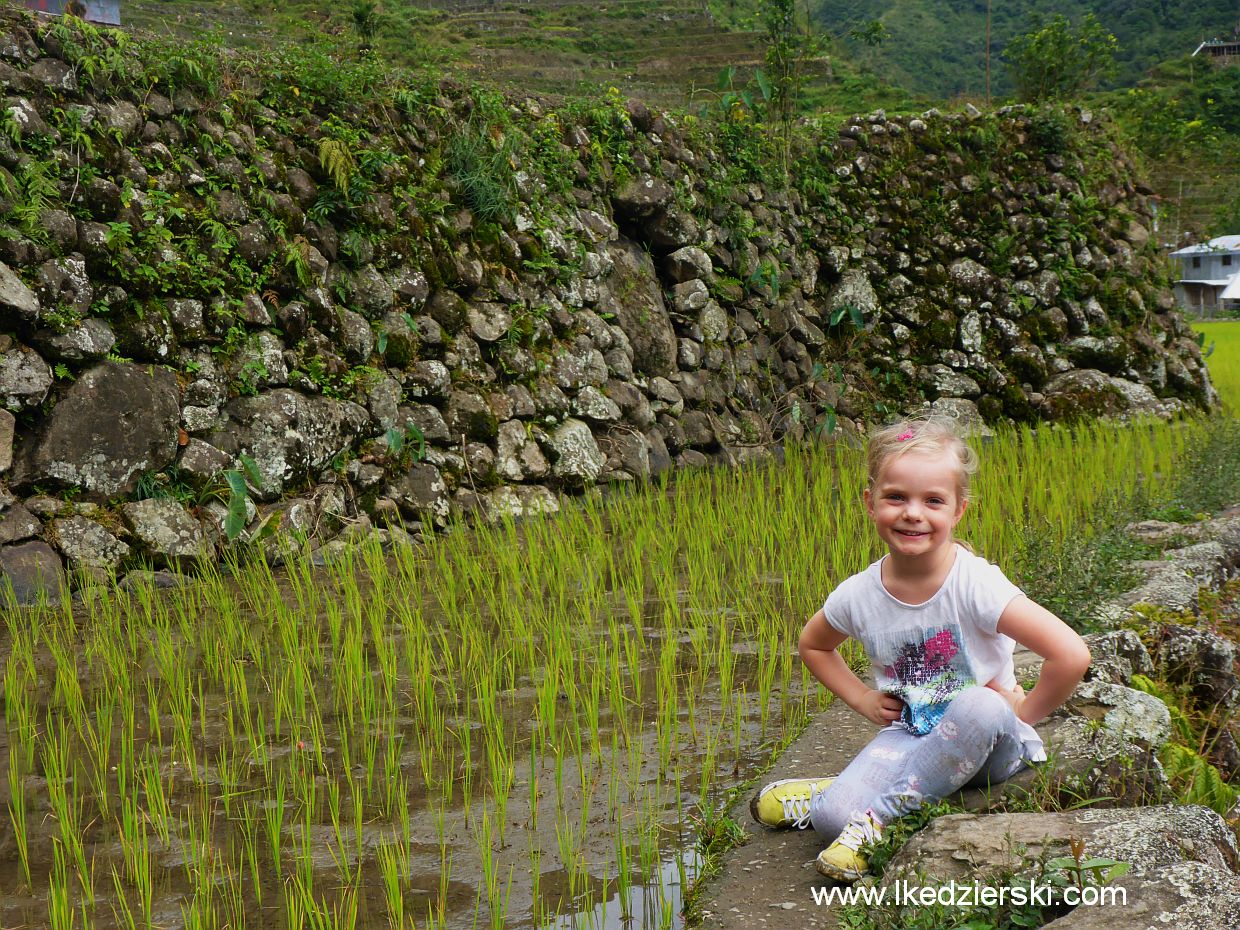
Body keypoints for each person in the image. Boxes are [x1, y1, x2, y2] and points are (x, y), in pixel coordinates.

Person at [749, 417, 1091, 882]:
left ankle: (878, 818)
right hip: (912, 733)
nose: (913, 512)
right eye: (896, 497)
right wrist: (862, 698)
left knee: (979, 706)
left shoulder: (974, 584)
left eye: (933, 500)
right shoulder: (858, 595)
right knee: (831, 823)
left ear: (958, 510)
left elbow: (1070, 654)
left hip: (989, 740)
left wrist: (1023, 712)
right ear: (870, 503)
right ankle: (831, 799)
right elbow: (813, 645)